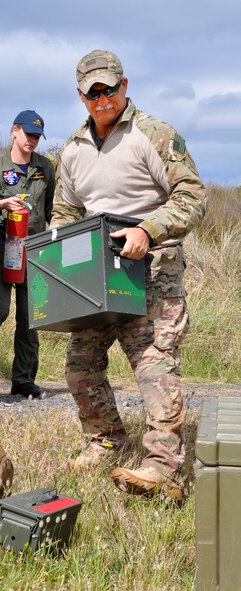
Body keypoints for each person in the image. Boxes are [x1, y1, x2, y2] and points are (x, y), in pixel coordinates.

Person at [50, 50, 207, 499]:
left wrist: (147, 229)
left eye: (110, 89)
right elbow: (65, 210)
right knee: (80, 368)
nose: (103, 99)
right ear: (81, 96)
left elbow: (193, 195)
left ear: (124, 85)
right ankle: (105, 441)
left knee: (153, 367)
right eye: (93, 92)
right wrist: (58, 250)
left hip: (152, 270)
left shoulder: (154, 134)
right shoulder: (74, 148)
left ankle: (164, 468)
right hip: (94, 278)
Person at [0, 110, 55, 397]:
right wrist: (1, 204)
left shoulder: (45, 168)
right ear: (14, 131)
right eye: (28, 134)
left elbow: (52, 209)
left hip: (34, 252)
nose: (32, 141)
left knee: (30, 317)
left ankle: (23, 380)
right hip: (2, 249)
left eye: (37, 136)